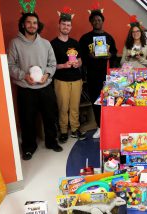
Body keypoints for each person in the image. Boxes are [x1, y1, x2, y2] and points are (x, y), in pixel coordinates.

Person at [8, 12, 62, 160]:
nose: (32, 25)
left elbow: (52, 64)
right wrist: (24, 76)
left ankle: (52, 142)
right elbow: (10, 65)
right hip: (26, 89)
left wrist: (47, 75)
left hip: (45, 88)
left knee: (50, 117)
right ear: (23, 24)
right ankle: (29, 147)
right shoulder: (15, 43)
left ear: (38, 26)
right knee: (27, 120)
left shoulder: (46, 43)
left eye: (35, 23)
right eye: (29, 22)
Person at [79, 6, 117, 139]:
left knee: (110, 100)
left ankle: (110, 125)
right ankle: (99, 127)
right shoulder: (85, 38)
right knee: (96, 101)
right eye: (94, 20)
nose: (96, 22)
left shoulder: (109, 37)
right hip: (92, 75)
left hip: (107, 75)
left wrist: (110, 55)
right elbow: (80, 56)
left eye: (99, 20)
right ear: (91, 22)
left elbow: (114, 53)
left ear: (102, 21)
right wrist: (89, 56)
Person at [51, 9, 86, 143]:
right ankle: (64, 130)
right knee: (63, 107)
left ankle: (75, 129)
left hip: (76, 80)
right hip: (61, 80)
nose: (66, 27)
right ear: (59, 25)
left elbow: (81, 60)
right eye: (64, 24)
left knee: (74, 106)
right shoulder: (52, 44)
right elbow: (50, 66)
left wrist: (78, 63)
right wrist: (63, 65)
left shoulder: (75, 43)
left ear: (71, 27)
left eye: (68, 25)